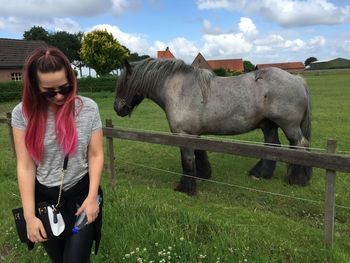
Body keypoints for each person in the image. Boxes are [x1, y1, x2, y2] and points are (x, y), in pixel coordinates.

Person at [11, 46, 104, 263]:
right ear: (35, 87)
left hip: (81, 196)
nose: (60, 96)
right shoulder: (22, 114)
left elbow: (96, 154)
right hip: (44, 201)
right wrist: (29, 216)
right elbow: (25, 166)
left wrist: (92, 198)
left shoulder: (88, 109)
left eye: (65, 88)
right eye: (49, 92)